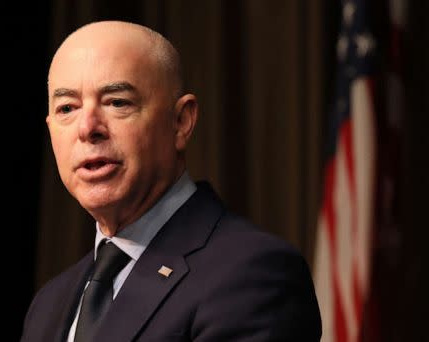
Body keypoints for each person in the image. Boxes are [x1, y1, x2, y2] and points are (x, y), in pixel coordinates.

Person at [21, 21, 321, 341]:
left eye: (117, 102)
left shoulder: (252, 274)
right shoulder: (49, 303)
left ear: (181, 122)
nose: (87, 128)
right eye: (67, 108)